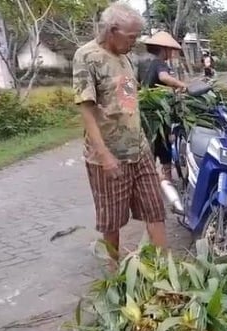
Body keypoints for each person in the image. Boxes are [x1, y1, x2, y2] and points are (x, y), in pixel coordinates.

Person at [72, 1, 168, 262]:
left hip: (139, 150)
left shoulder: (127, 59)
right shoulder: (87, 56)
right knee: (111, 220)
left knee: (155, 209)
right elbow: (86, 110)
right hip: (109, 155)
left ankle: (165, 267)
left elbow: (128, 103)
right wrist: (105, 156)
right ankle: (115, 272)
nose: (134, 42)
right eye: (131, 36)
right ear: (112, 30)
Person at [139, 30, 187, 180]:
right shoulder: (159, 63)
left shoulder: (142, 63)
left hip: (144, 113)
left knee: (151, 147)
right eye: (170, 50)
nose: (171, 53)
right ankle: (166, 179)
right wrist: (182, 85)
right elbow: (164, 77)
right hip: (158, 114)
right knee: (163, 145)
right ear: (163, 49)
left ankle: (151, 179)